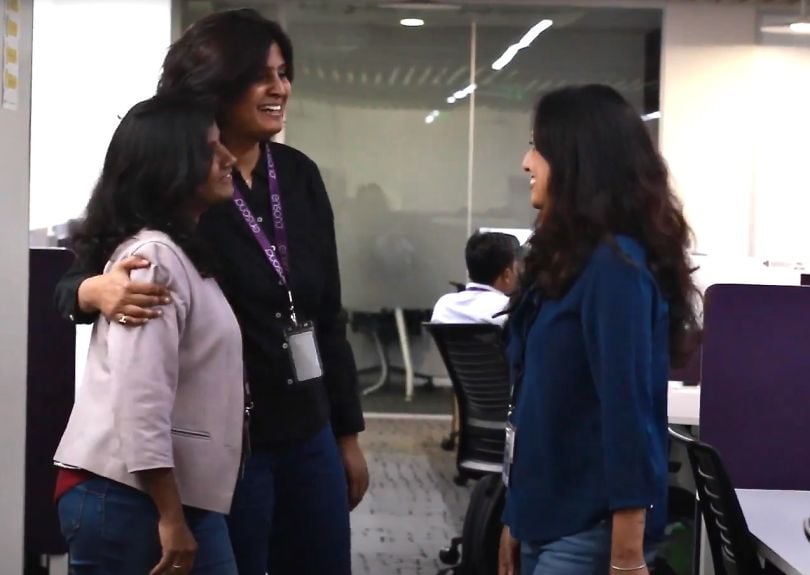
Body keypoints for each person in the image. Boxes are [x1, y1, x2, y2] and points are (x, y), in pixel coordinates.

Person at [53, 9, 367, 575]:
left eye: (284, 72)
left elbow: (326, 315)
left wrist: (346, 434)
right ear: (216, 87)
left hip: (308, 426)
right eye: (262, 75)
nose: (280, 88)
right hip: (230, 445)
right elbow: (78, 282)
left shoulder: (298, 175)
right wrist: (94, 291)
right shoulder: (178, 190)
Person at [497, 85, 700, 575]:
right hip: (541, 516)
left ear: (577, 161)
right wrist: (514, 517)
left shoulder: (616, 272)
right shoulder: (567, 264)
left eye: (538, 148)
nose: (527, 162)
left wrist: (628, 554)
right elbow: (533, 407)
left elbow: (630, 414)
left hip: (591, 531)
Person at [53, 96, 242, 575]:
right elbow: (141, 400)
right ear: (171, 166)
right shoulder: (152, 259)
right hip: (131, 498)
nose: (229, 159)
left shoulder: (180, 250)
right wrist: (171, 516)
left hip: (167, 497)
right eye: (212, 149)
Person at [431, 231, 520, 326]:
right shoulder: (508, 309)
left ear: (469, 271)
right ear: (506, 275)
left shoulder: (444, 305)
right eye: (516, 269)